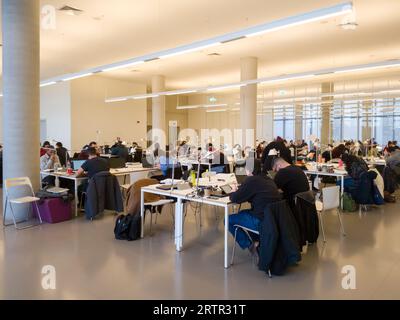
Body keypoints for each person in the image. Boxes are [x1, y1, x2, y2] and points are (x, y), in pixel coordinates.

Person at [228, 157, 282, 256]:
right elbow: (256, 193)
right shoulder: (268, 178)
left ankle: (251, 245)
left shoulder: (251, 180)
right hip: (273, 219)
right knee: (241, 213)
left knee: (228, 220)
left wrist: (233, 192)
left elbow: (235, 199)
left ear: (249, 169)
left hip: (261, 221)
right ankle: (258, 242)